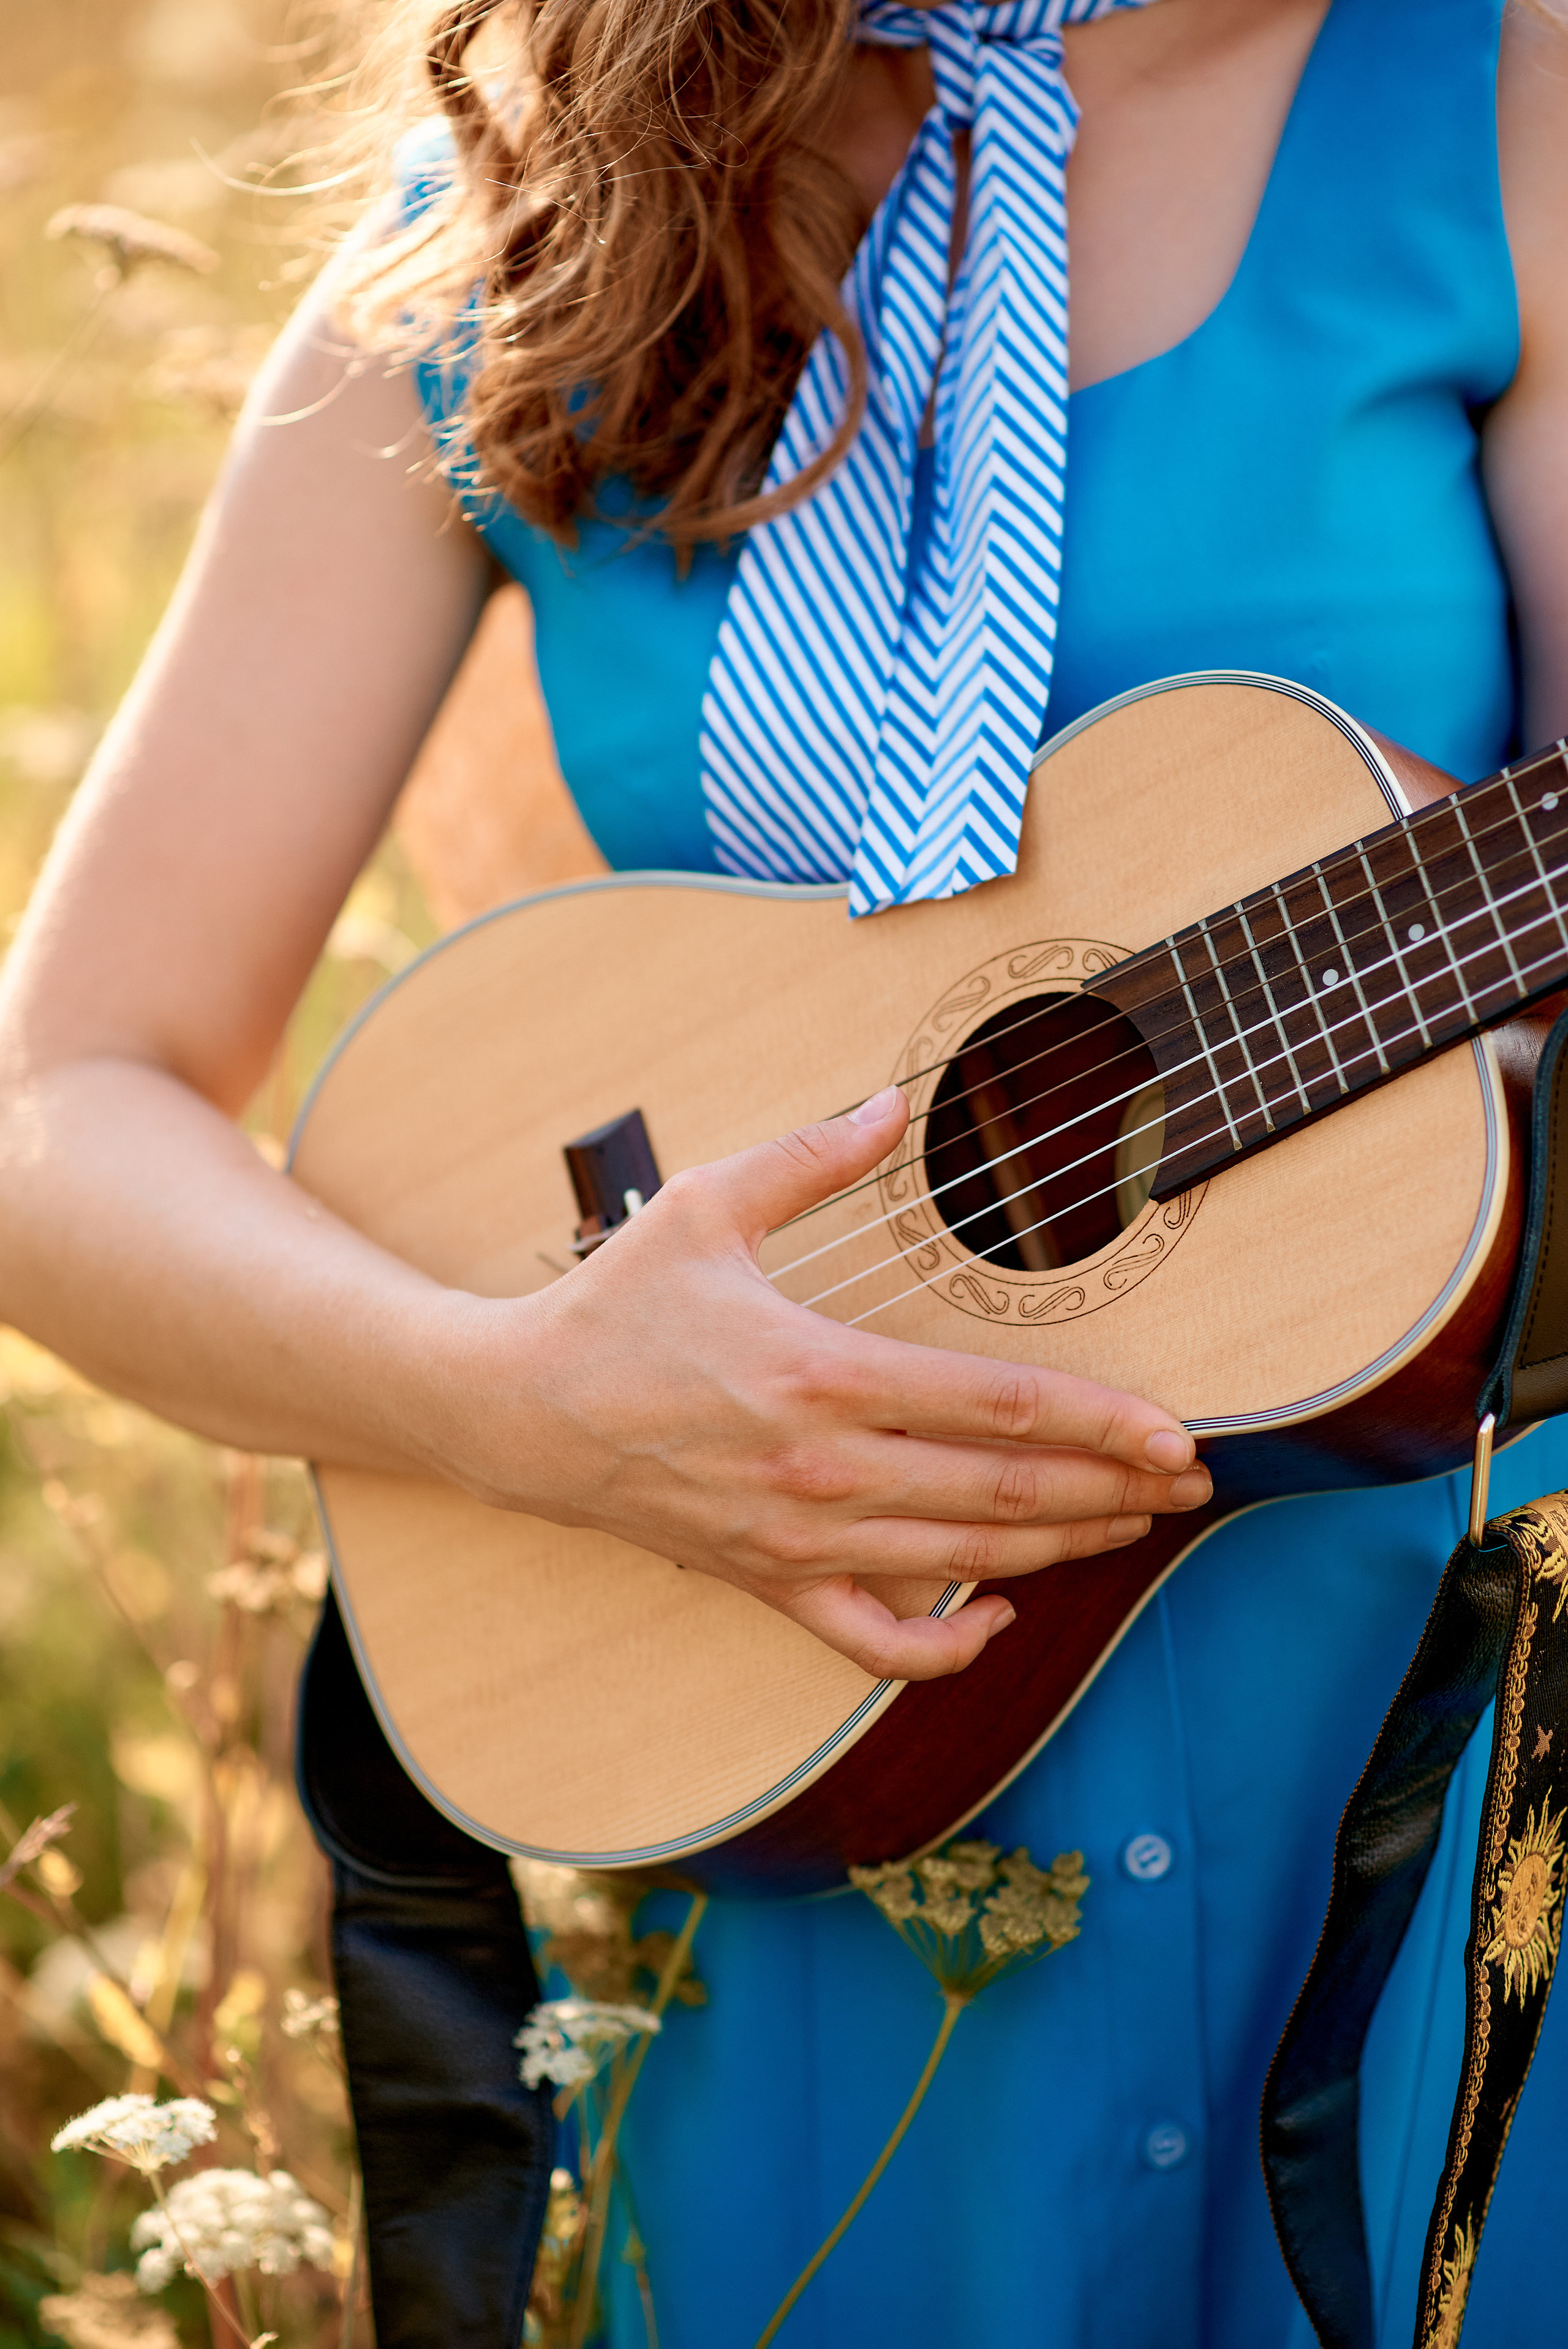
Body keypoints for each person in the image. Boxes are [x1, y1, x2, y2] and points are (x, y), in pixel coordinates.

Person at [2, 0, 1566, 2340]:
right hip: (814, 1780)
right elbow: (59, 1110)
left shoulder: (1502, 98)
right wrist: (507, 1394)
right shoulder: (501, 231)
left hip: (1444, 1768)